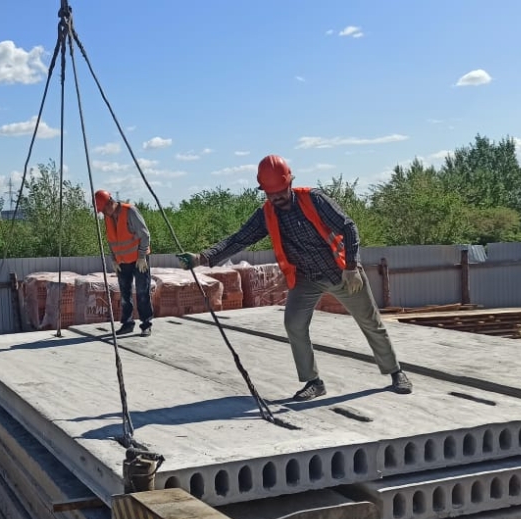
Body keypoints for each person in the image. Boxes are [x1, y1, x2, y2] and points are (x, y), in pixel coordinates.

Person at [177, 155, 412, 400]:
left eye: (281, 190)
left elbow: (348, 226)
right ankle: (314, 382)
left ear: (289, 183)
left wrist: (352, 266)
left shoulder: (315, 200)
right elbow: (239, 239)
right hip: (305, 278)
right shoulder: (267, 214)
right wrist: (201, 258)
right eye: (271, 193)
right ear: (264, 191)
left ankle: (396, 372)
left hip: (341, 272)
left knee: (370, 322)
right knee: (294, 324)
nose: (277, 197)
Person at [95, 189, 154, 337]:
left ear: (110, 203)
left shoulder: (130, 211)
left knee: (142, 292)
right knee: (125, 295)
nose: (103, 213)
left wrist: (141, 256)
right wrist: (114, 259)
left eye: (103, 209)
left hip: (139, 260)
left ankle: (146, 324)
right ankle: (127, 324)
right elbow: (111, 240)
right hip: (122, 262)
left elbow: (145, 234)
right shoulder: (108, 217)